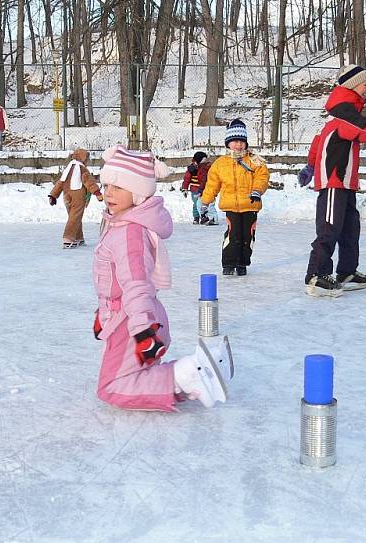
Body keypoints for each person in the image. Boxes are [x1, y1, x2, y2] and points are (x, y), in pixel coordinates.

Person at [93, 144, 232, 411]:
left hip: (134, 321)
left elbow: (136, 284)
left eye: (118, 187)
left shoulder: (129, 232)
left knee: (112, 386)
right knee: (123, 379)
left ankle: (187, 374)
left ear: (137, 194)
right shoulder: (121, 223)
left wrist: (143, 330)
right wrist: (103, 313)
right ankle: (192, 376)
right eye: (107, 185)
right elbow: (114, 282)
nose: (108, 193)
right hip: (127, 318)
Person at [304, 83, 366, 298]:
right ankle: (317, 275)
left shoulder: (340, 114)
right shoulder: (343, 114)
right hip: (334, 181)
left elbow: (317, 143)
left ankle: (346, 272)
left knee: (349, 229)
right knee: (329, 228)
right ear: (353, 86)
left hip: (345, 183)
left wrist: (310, 165)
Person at [199, 119, 270, 276]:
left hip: (250, 204)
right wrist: (205, 201)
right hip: (231, 206)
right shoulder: (220, 163)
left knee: (247, 236)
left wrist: (257, 190)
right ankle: (229, 263)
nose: (238, 145)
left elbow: (262, 176)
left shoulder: (254, 159)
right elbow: (212, 185)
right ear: (228, 143)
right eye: (234, 141)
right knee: (233, 235)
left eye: (241, 141)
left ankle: (242, 263)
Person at [48, 148, 103, 248]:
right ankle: (68, 238)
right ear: (82, 158)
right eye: (87, 158)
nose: (87, 161)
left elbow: (60, 182)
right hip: (78, 196)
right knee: (75, 217)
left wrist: (53, 195)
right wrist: (97, 192)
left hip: (67, 196)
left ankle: (78, 238)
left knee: (74, 217)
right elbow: (89, 182)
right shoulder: (82, 168)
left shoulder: (68, 168)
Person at [180, 151, 210, 224]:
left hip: (204, 188)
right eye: (203, 160)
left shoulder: (206, 167)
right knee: (196, 203)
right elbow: (187, 179)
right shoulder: (192, 168)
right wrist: (185, 188)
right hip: (195, 189)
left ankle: (204, 216)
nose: (205, 162)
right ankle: (196, 217)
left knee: (204, 203)